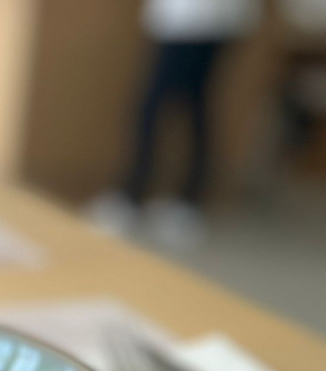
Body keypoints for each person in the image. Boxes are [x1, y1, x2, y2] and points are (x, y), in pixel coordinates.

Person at [87, 0, 262, 249]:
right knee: (189, 104)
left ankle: (145, 197)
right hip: (193, 19)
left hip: (204, 18)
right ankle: (174, 200)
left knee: (162, 106)